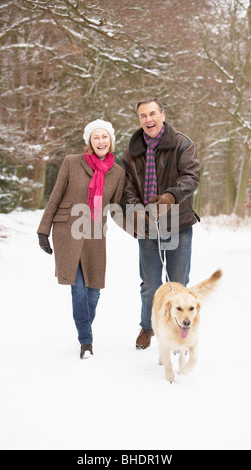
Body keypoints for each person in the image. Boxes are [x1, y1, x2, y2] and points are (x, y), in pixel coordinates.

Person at [37, 120, 125, 359]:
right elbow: (55, 196)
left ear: (111, 140)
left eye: (104, 137)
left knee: (93, 292)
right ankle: (86, 341)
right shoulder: (71, 162)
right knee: (78, 291)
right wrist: (43, 230)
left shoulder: (117, 173)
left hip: (95, 234)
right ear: (89, 141)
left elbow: (117, 209)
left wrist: (143, 231)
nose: (101, 141)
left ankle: (83, 327)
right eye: (96, 137)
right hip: (68, 231)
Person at [121, 98, 201, 350]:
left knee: (178, 282)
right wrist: (136, 210)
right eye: (143, 116)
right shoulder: (132, 151)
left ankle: (179, 330)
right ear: (139, 120)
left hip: (178, 222)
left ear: (162, 115)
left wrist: (170, 196)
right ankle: (147, 327)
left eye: (152, 113)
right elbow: (127, 187)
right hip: (148, 225)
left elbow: (191, 177)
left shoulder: (181, 143)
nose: (148, 119)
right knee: (150, 283)